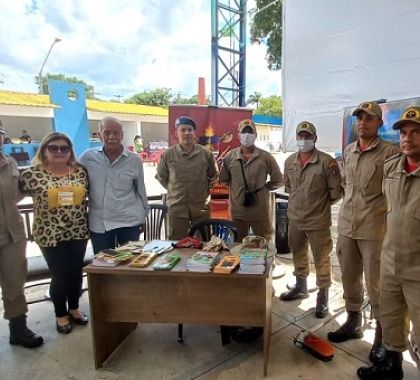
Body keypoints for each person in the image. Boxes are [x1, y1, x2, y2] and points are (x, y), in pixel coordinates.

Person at [327, 101, 400, 362]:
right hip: (347, 225)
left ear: (379, 123)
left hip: (374, 229)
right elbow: (347, 186)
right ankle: (353, 322)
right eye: (359, 118)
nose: (362, 122)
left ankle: (382, 336)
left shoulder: (391, 152)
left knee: (377, 285)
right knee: (348, 277)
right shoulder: (348, 151)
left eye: (368, 118)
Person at [357, 106, 420, 379]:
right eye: (404, 132)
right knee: (392, 321)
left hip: (418, 269)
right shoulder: (392, 168)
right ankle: (391, 366)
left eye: (417, 133)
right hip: (391, 262)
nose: (408, 138)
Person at [19, 132, 89, 334]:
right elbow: (12, 197)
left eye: (64, 148)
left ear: (70, 152)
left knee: (76, 272)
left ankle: (74, 308)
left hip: (77, 231)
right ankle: (60, 314)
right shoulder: (32, 174)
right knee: (59, 274)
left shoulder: (79, 172)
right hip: (49, 233)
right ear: (44, 150)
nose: (59, 152)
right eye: (54, 148)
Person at [279, 122, 342, 318]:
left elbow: (336, 192)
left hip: (318, 221)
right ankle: (301, 286)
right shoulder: (289, 161)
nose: (303, 140)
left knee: (322, 258)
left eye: (307, 136)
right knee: (298, 253)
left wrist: (318, 206)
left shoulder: (327, 162)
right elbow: (289, 188)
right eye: (300, 136)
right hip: (295, 218)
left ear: (315, 138)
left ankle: (322, 296)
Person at [0, 121, 43, 348]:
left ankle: (18, 329)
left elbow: (18, 194)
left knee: (14, 284)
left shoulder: (11, 163)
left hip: (12, 236)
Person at [79, 116, 148, 253]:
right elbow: (72, 178)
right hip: (100, 224)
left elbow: (140, 189)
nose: (112, 137)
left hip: (129, 221)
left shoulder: (134, 160)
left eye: (116, 133)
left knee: (131, 265)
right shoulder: (88, 158)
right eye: (107, 132)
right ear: (99, 135)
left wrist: (143, 216)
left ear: (122, 135)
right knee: (104, 266)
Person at [219, 119, 283, 241]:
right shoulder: (230, 157)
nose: (247, 135)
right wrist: (238, 189)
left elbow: (278, 180)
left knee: (263, 245)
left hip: (260, 212)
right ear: (238, 135)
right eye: (244, 132)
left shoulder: (265, 157)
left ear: (255, 135)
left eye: (250, 132)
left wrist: (264, 188)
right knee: (237, 247)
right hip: (238, 213)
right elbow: (223, 180)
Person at [156, 116, 218, 239]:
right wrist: (176, 191)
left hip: (200, 210)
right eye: (183, 130)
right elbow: (162, 177)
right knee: (177, 246)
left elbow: (214, 177)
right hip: (177, 210)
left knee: (203, 246)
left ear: (194, 133)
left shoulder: (205, 154)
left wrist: (202, 192)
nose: (187, 133)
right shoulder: (168, 154)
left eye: (190, 130)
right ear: (176, 133)